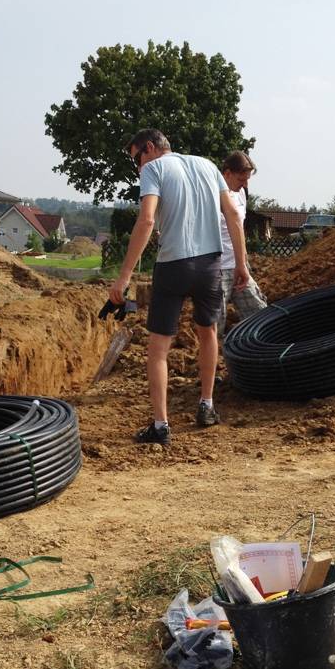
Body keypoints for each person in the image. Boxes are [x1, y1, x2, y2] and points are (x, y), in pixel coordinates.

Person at [109, 129, 249, 446]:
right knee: (208, 332)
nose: (138, 167)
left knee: (158, 347)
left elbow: (147, 221)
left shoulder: (153, 170)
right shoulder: (207, 165)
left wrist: (124, 276)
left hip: (173, 265)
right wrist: (241, 263)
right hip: (210, 264)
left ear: (149, 148)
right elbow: (232, 215)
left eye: (136, 159)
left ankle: (161, 426)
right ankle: (207, 406)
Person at [217, 151, 267, 336]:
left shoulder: (241, 194)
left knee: (260, 314)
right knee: (215, 325)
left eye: (247, 180)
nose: (245, 184)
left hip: (238, 267)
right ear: (227, 173)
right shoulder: (210, 196)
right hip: (217, 269)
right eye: (241, 179)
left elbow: (239, 228)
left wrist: (243, 262)